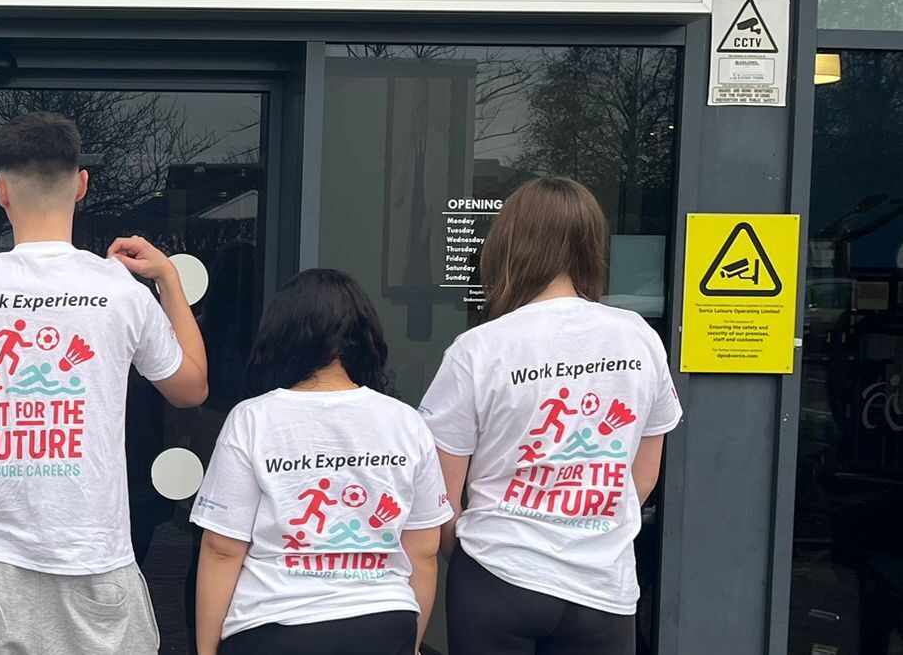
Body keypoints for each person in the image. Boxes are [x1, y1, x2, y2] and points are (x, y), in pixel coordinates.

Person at [0, 111, 208, 655]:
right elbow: (191, 389)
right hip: (94, 558)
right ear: (82, 184)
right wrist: (168, 278)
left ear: (1, 193)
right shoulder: (119, 289)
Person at [420, 177, 683, 655]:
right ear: (592, 247)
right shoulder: (638, 337)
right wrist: (591, 526)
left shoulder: (478, 348)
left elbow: (439, 496)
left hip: (498, 573)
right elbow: (644, 476)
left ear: (508, 245)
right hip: (603, 582)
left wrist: (478, 555)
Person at [190, 269, 450, 655]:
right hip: (382, 622)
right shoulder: (405, 422)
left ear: (280, 336)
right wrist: (410, 646)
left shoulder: (252, 419)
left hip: (274, 625)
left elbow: (221, 549)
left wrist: (206, 651)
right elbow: (425, 551)